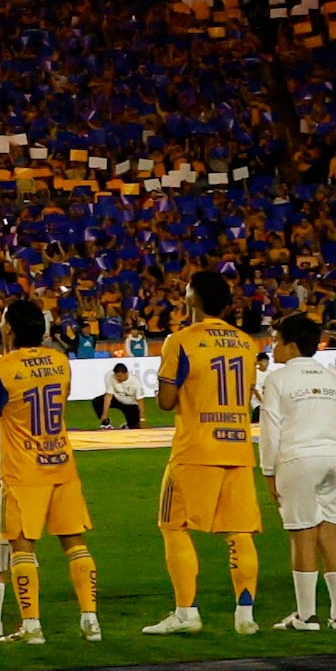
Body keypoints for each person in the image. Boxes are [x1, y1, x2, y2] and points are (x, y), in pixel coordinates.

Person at [145, 269, 268, 637]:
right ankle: (245, 615)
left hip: (195, 447)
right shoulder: (246, 343)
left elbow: (166, 402)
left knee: (173, 525)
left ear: (191, 298)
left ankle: (186, 612)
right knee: (240, 531)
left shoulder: (180, 340)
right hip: (238, 446)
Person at [0, 298, 96, 640]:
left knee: (22, 546)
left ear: (10, 328)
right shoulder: (60, 362)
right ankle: (91, 621)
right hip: (60, 462)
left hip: (23, 468)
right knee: (75, 543)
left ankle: (32, 626)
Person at [259, 313, 336, 628]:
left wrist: (268, 471)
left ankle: (306, 615)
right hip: (332, 458)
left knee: (302, 535)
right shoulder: (332, 379)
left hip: (297, 459)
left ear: (289, 345)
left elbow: (270, 430)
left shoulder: (278, 378)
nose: (273, 347)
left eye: (275, 340)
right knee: (329, 532)